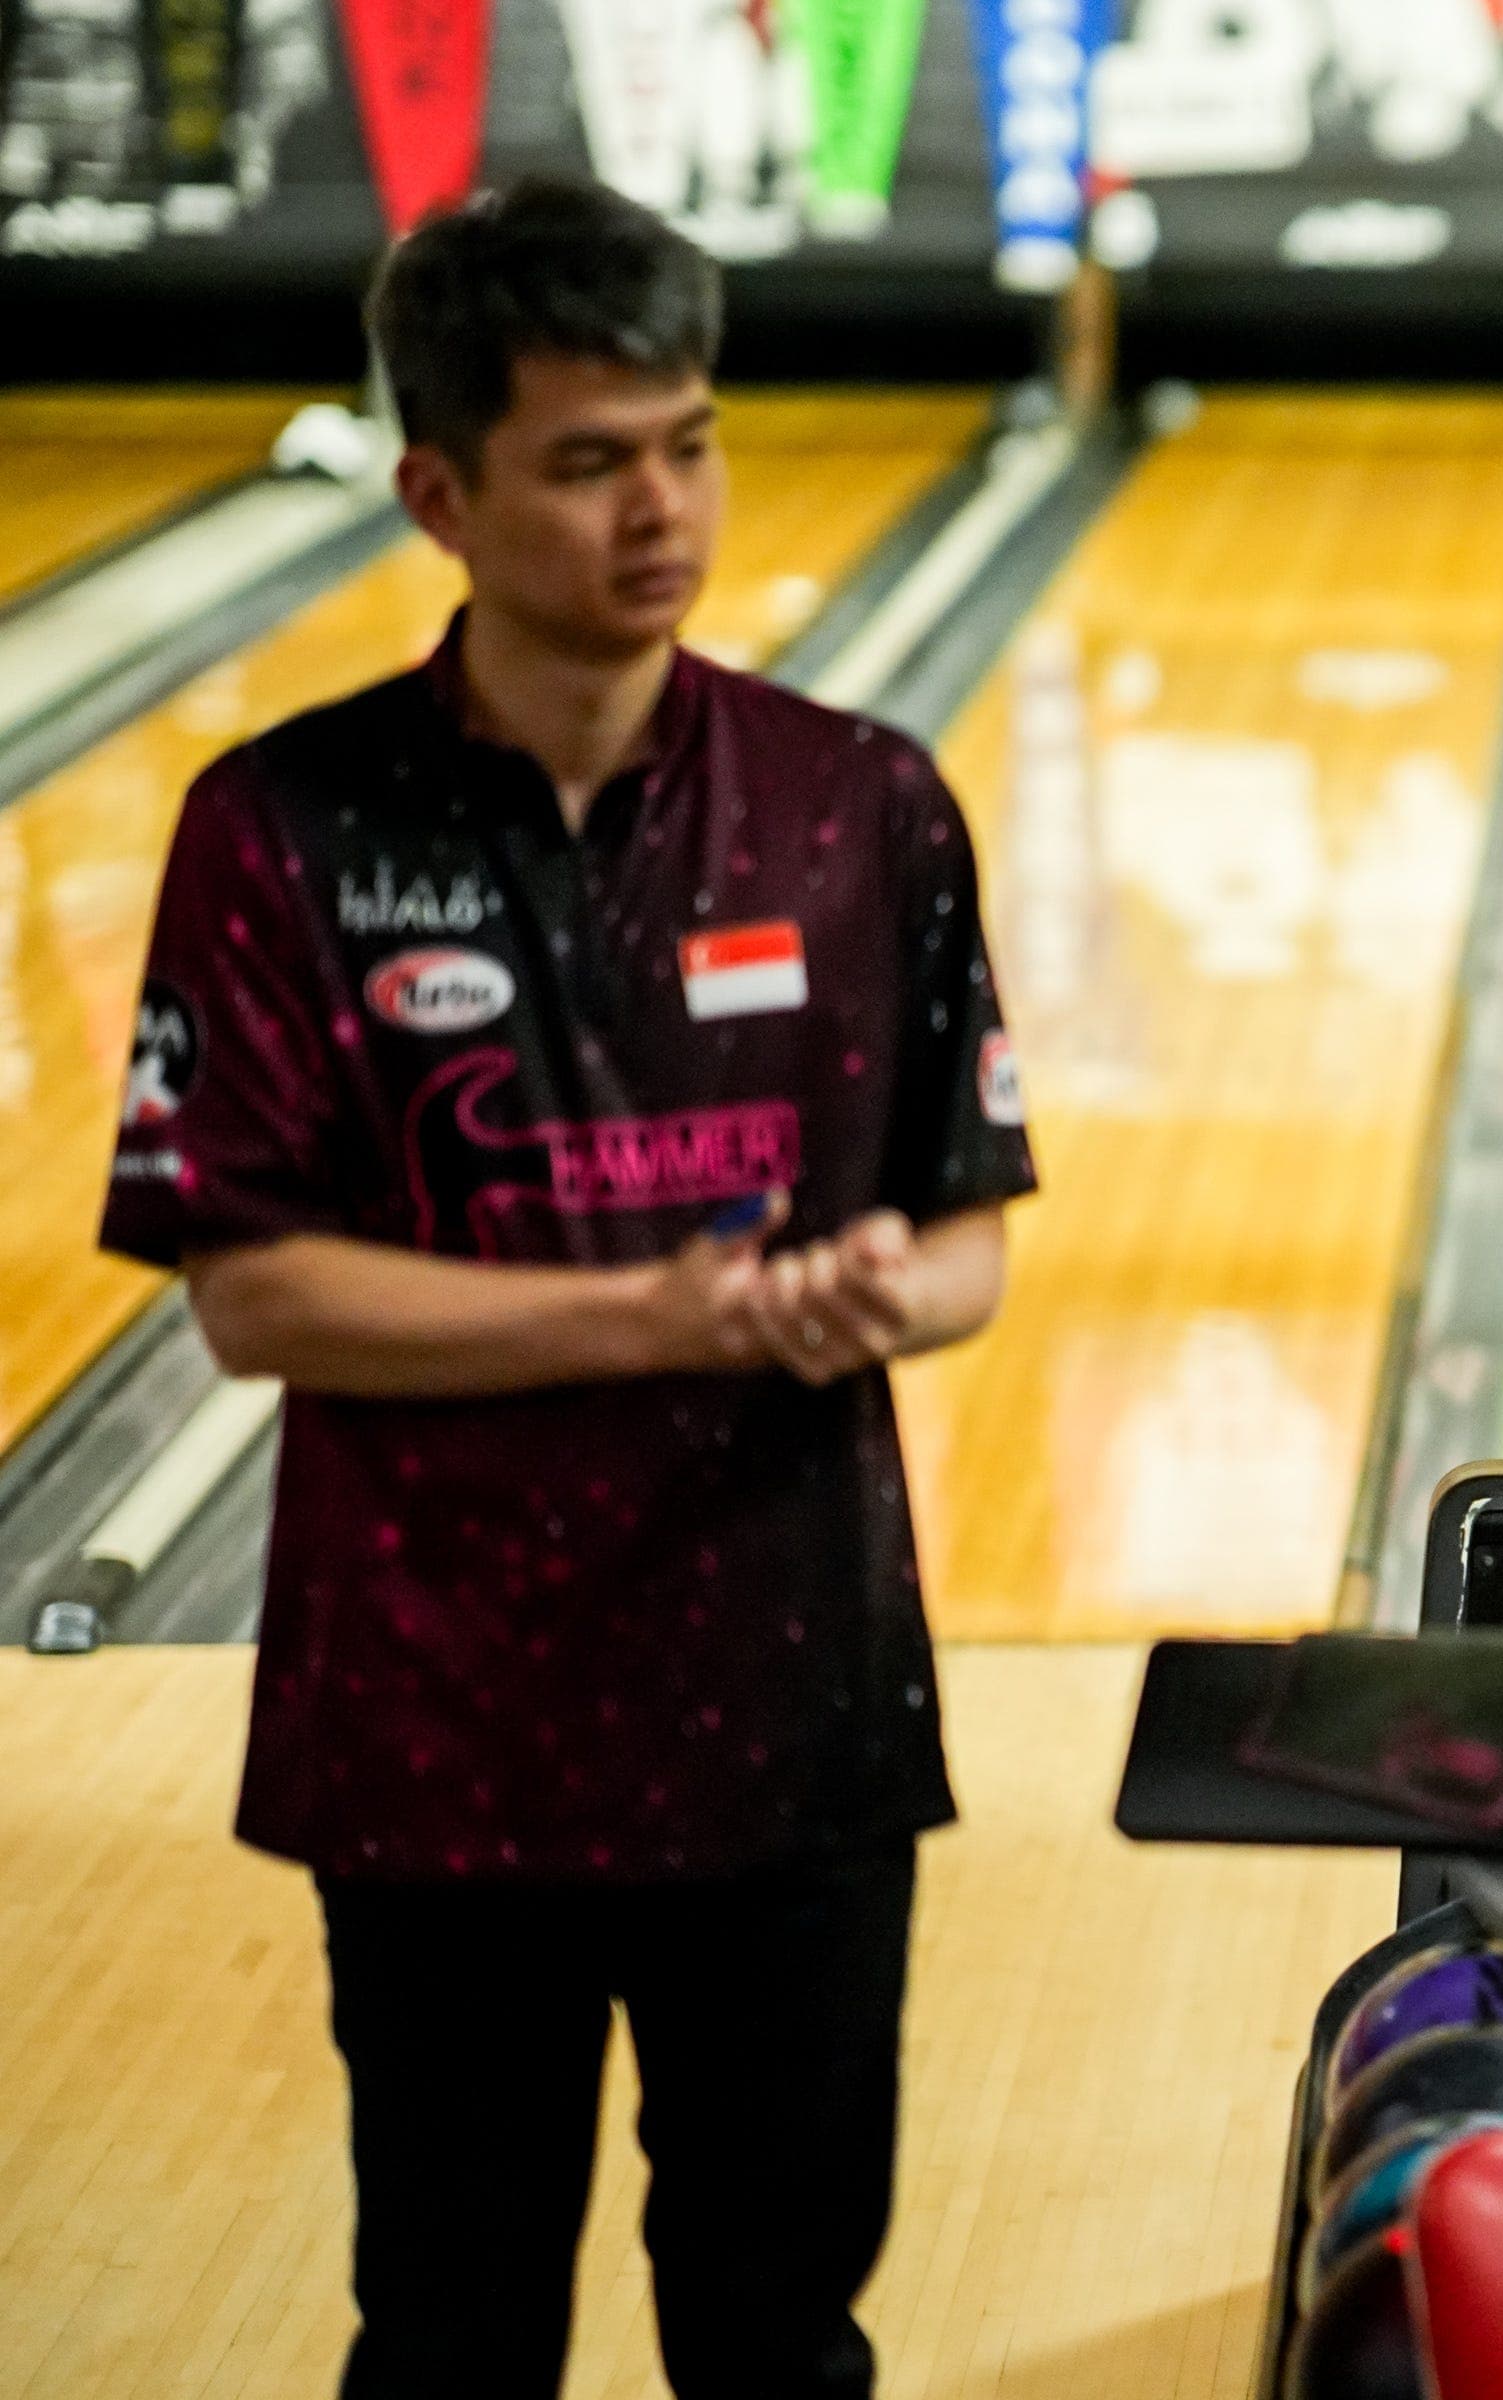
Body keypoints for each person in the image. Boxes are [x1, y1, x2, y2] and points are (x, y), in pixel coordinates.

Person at [99, 178, 1036, 2397]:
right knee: (448, 2331)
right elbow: (255, 1297)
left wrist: (888, 1285)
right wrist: (668, 1314)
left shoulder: (856, 807)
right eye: (591, 459)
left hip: (793, 1719)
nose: (661, 509)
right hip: (437, 1739)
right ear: (438, 489)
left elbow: (975, 1234)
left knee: (782, 2333)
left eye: (690, 443)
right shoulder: (283, 829)